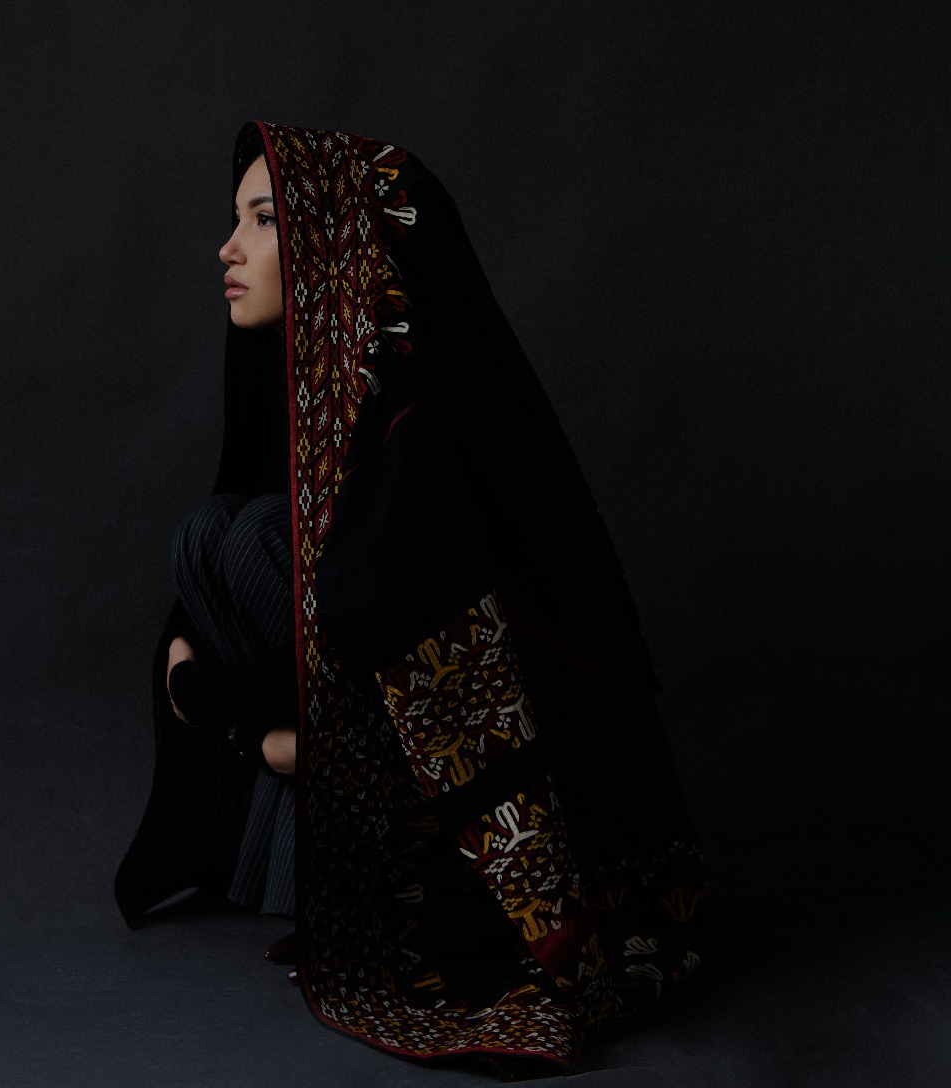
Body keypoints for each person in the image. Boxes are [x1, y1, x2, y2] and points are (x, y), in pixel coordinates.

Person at [116, 121, 709, 1078]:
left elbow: (388, 648)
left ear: (337, 246)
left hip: (507, 766)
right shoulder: (324, 387)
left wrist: (203, 702)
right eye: (235, 220)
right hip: (376, 711)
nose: (227, 248)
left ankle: (323, 801)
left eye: (263, 221)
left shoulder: (407, 414)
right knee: (217, 527)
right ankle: (298, 823)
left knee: (257, 538)